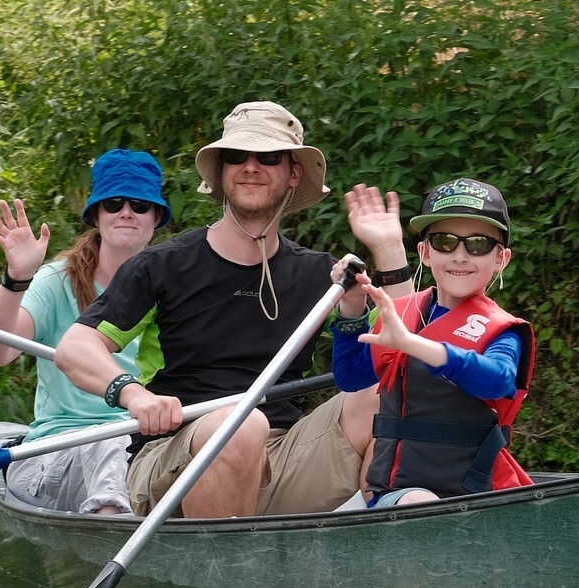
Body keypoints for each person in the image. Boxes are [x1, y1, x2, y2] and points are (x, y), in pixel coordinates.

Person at [55, 101, 413, 518]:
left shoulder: (320, 275)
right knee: (241, 426)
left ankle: (381, 540)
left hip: (283, 455)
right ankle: (215, 571)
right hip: (174, 454)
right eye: (236, 156)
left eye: (268, 157)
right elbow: (75, 348)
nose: (250, 166)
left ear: (293, 173)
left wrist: (388, 250)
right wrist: (133, 394)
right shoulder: (161, 266)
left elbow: (409, 349)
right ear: (221, 173)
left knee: (385, 393)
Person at [0, 149, 172, 514]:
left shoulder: (178, 284)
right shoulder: (57, 280)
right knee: (111, 447)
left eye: (140, 205)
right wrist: (17, 278)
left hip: (147, 447)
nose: (127, 212)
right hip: (57, 450)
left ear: (156, 216)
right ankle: (111, 537)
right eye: (114, 203)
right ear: (97, 214)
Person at [329, 177, 536, 507]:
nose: (460, 256)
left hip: (473, 496)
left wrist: (413, 344)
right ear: (425, 252)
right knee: (418, 502)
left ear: (501, 259)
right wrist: (351, 308)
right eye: (444, 242)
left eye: (478, 244)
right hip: (399, 497)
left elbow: (498, 380)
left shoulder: (502, 330)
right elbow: (350, 377)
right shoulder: (401, 314)